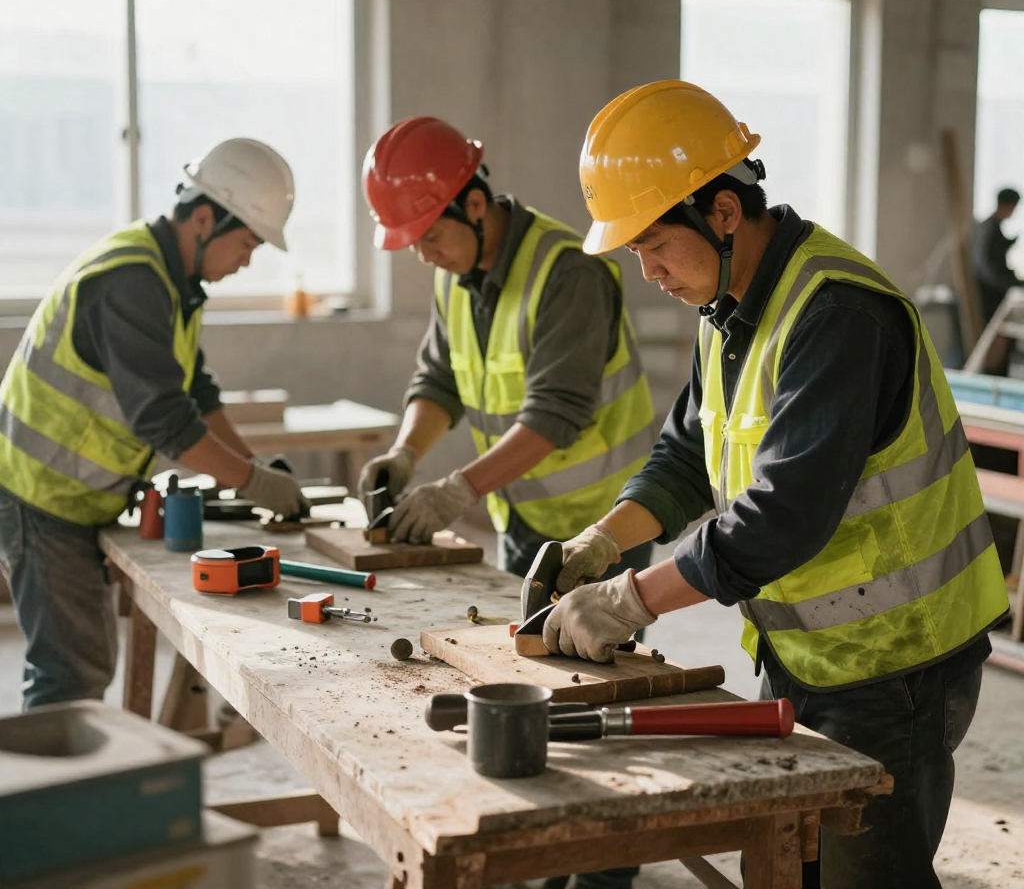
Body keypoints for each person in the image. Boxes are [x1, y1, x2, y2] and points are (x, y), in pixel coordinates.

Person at [540, 80, 1009, 889]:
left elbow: (782, 517)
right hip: (809, 651)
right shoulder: (727, 304)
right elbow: (689, 453)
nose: (647, 272)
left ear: (723, 211)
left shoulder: (836, 314)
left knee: (869, 877)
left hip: (899, 666)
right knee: (800, 865)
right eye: (633, 254)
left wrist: (632, 599)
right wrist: (603, 541)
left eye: (654, 244)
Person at [360, 117, 658, 889]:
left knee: (593, 707)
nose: (421, 251)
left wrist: (456, 489)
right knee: (528, 693)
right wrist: (406, 453)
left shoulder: (568, 270)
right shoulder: (455, 274)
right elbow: (440, 382)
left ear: (475, 203)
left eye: (428, 233)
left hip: (605, 530)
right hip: (525, 521)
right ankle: (548, 849)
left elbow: (557, 412)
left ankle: (603, 868)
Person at [0, 138, 309, 710]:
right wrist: (252, 482)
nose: (245, 261)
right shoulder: (132, 281)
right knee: (71, 675)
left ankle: (79, 789)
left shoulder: (170, 282)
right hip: (40, 497)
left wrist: (255, 469)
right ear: (202, 219)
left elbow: (195, 391)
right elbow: (164, 420)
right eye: (246, 243)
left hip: (73, 496)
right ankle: (48, 799)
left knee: (83, 666)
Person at [971, 186, 1022, 323]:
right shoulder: (988, 228)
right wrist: (1002, 283)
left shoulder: (993, 227)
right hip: (988, 291)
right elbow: (984, 262)